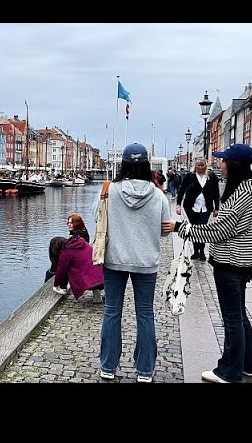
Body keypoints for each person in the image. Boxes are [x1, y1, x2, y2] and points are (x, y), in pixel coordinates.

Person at [175, 143, 252, 383]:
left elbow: (219, 230)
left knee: (232, 318)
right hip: (243, 262)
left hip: (231, 261)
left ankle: (229, 371)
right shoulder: (249, 189)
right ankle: (250, 364)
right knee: (240, 315)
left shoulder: (242, 195)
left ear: (234, 164)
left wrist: (181, 228)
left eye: (223, 160)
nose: (219, 164)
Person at [92, 142, 174, 383]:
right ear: (147, 165)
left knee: (111, 312)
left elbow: (97, 218)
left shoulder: (108, 190)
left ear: (123, 165)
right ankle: (145, 371)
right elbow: (165, 229)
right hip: (146, 262)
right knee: (145, 314)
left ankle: (108, 366)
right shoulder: (158, 194)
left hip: (114, 260)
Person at [176, 158, 220, 261]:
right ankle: (196, 252)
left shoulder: (211, 176)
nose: (200, 167)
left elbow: (216, 192)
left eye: (202, 165)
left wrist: (217, 207)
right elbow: (182, 190)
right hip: (191, 207)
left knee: (202, 229)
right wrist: (178, 204)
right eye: (198, 165)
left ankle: (202, 252)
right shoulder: (190, 176)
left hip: (205, 208)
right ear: (195, 166)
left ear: (205, 166)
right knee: (194, 229)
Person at [53, 231, 104, 299]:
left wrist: (56, 284)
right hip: (102, 278)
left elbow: (61, 271)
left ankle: (94, 287)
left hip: (88, 282)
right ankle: (96, 290)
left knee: (69, 268)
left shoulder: (67, 252)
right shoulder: (84, 244)